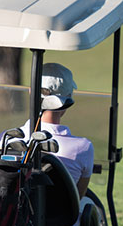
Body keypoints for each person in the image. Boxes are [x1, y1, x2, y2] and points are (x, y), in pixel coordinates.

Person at [8, 62, 94, 198]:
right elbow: (77, 199)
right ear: (68, 99)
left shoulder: (7, 139)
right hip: (59, 218)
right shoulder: (83, 148)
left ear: (32, 93)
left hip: (17, 218)